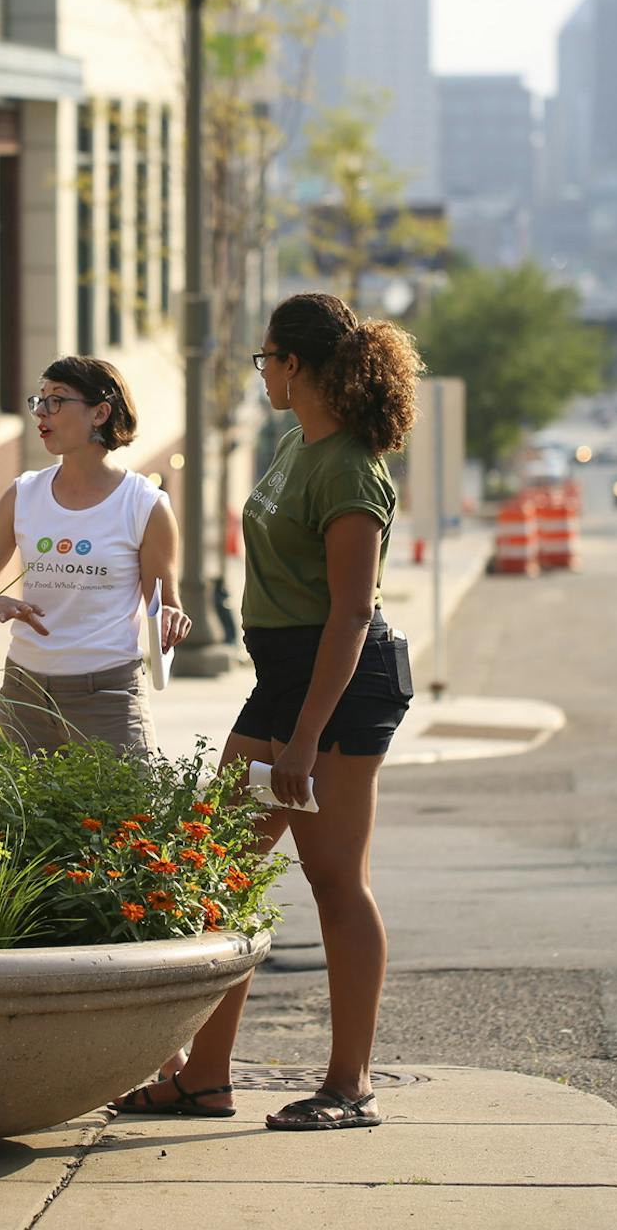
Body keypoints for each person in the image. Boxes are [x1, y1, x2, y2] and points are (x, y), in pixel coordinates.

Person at [114, 291, 420, 1132]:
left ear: (295, 365)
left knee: (334, 883)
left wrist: (306, 739)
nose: (261, 375)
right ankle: (205, 1081)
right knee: (220, 869)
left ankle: (350, 1085)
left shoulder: (353, 467)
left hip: (339, 688)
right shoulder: (296, 445)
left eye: (265, 361)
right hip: (279, 677)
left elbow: (351, 614)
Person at [0, 357, 190, 755]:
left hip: (107, 695)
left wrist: (171, 617)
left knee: (127, 817)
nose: (41, 412)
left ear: (100, 413)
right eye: (39, 401)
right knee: (16, 820)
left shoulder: (145, 505)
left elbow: (165, 604)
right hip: (24, 694)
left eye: (56, 401)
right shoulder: (22, 495)